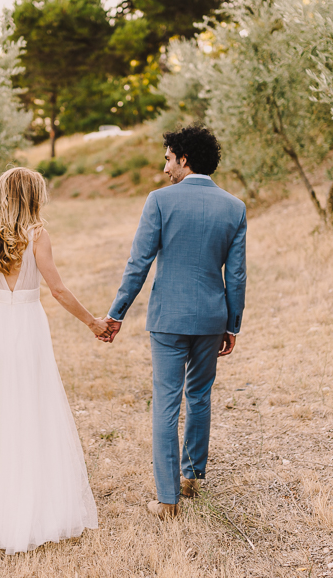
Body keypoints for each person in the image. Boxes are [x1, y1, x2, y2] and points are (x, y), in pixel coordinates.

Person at [0, 167, 105, 554]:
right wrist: (93, 323)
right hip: (28, 326)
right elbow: (58, 289)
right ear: (31, 196)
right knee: (32, 408)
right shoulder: (37, 235)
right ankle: (32, 504)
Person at [101, 125, 247, 518]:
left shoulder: (160, 202)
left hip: (168, 318)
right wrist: (233, 323)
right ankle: (191, 477)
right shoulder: (234, 207)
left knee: (166, 403)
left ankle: (167, 501)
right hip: (212, 318)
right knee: (198, 396)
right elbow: (236, 275)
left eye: (168, 158)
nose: (164, 168)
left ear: (184, 159)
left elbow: (139, 263)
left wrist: (117, 313)